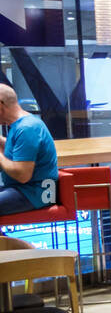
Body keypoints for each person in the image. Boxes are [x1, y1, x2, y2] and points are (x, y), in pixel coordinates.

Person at [0, 85, 58, 217]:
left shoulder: (27, 128)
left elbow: (22, 175)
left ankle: (5, 239)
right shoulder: (20, 126)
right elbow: (14, 151)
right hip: (25, 190)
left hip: (36, 194)